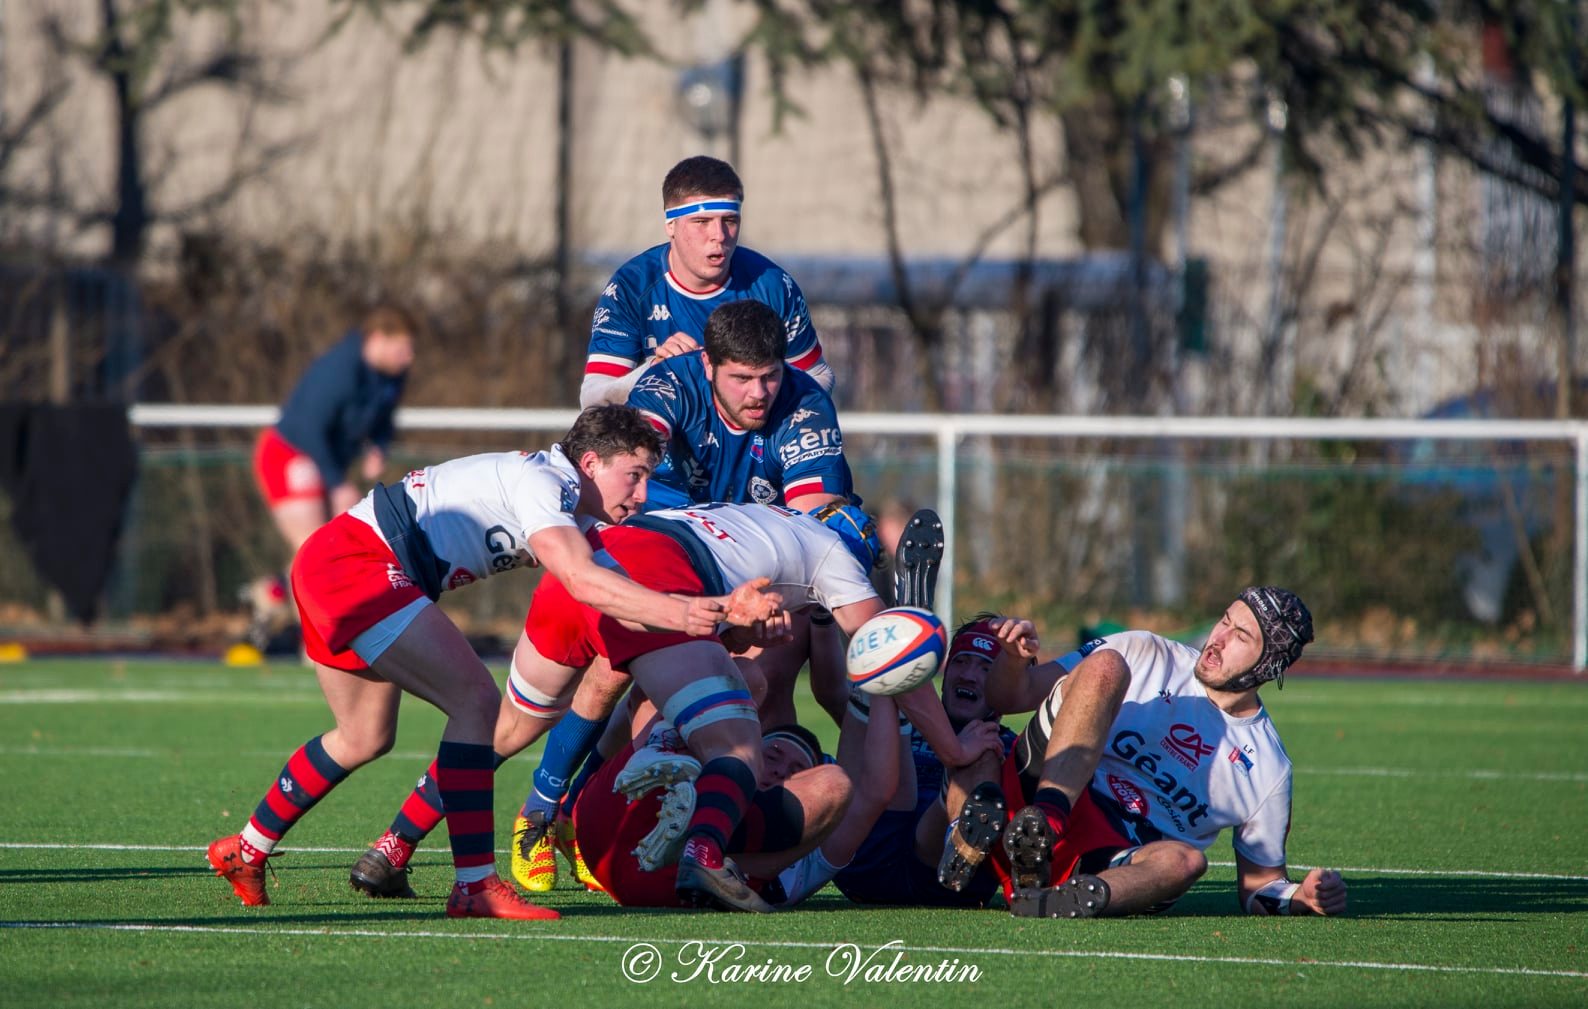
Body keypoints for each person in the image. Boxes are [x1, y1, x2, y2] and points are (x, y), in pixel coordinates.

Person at [205, 405, 778, 919]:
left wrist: (723, 623)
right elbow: (583, 582)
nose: (644, 493)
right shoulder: (544, 482)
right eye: (635, 474)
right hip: (358, 566)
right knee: (477, 703)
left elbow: (620, 590)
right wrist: (694, 614)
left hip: (339, 564)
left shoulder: (571, 508)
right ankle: (474, 886)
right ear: (589, 462)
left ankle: (246, 848)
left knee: (362, 737)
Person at [351, 500, 984, 911]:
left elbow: (649, 655)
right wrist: (952, 749)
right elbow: (885, 652)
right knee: (741, 725)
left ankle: (404, 839)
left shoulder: (747, 522)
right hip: (653, 596)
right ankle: (700, 851)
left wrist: (732, 636)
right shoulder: (833, 556)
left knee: (513, 723)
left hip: (594, 563)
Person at [512, 296, 856, 891]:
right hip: (649, 553)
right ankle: (544, 811)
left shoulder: (804, 401)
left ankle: (666, 824)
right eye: (743, 378)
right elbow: (633, 483)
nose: (760, 392)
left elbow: (814, 516)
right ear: (708, 366)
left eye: (771, 375)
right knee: (566, 694)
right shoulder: (671, 385)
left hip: (727, 571)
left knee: (752, 682)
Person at [967, 586, 1348, 919]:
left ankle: (1053, 902)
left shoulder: (1269, 767)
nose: (1218, 638)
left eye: (1241, 635)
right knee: (1106, 667)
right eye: (1224, 620)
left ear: (1269, 664)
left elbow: (1260, 887)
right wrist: (1014, 660)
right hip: (1037, 796)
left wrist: (1300, 897)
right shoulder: (1146, 651)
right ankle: (1042, 826)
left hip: (1107, 858)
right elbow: (1010, 697)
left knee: (1187, 862)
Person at [580, 155, 832, 409]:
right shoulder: (632, 287)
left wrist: (754, 388)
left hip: (751, 443)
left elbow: (819, 377)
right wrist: (652, 372)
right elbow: (592, 398)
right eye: (702, 222)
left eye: (729, 221)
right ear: (671, 224)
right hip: (662, 444)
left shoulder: (772, 286)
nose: (719, 235)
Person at [246, 303, 418, 647]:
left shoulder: (393, 375)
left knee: (330, 548)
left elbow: (384, 420)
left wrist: (378, 446)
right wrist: (338, 483)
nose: (408, 358)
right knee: (312, 549)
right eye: (402, 348)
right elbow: (310, 430)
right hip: (290, 457)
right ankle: (317, 644)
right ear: (378, 339)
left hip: (324, 464)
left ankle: (273, 592)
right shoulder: (339, 369)